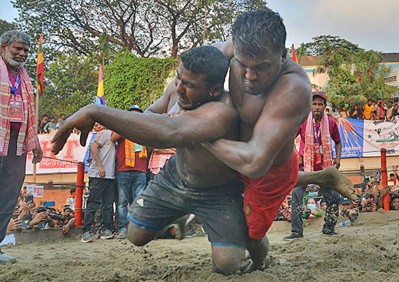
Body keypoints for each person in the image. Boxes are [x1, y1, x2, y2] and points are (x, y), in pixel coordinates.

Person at [52, 46, 249, 275]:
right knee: (135, 235)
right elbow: (150, 113)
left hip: (217, 192)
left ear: (214, 90)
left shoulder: (222, 111)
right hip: (175, 177)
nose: (179, 89)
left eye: (190, 86)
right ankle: (180, 214)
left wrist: (96, 111)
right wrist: (166, 117)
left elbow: (168, 134)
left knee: (228, 264)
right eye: (178, 78)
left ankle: (252, 240)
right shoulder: (177, 89)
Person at [204, 9, 356, 272]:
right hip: (238, 155)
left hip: (269, 168)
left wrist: (202, 137)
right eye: (243, 65)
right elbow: (193, 70)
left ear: (282, 57)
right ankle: (322, 176)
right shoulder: (232, 50)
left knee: (252, 237)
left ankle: (262, 261)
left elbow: (255, 163)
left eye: (261, 67)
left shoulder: (295, 88)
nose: (249, 76)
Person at [0, 30, 43, 264]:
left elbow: (29, 113)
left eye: (26, 50)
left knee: (7, 195)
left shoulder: (25, 77)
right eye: (18, 48)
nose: (22, 53)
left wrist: (33, 142)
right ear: (3, 47)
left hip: (17, 143)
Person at [284, 91, 343, 240]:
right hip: (305, 167)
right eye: (314, 104)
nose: (317, 107)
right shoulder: (303, 121)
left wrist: (337, 158)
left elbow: (338, 141)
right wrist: (296, 154)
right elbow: (290, 137)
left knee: (334, 197)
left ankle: (329, 228)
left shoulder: (330, 122)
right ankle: (297, 231)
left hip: (324, 168)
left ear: (324, 106)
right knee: (297, 194)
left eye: (320, 104)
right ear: (310, 106)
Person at [111, 105, 148, 239]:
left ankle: (137, 227)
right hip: (123, 170)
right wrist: (127, 126)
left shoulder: (143, 130)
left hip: (140, 170)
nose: (135, 116)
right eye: (132, 114)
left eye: (137, 114)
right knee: (122, 202)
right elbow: (113, 138)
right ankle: (122, 228)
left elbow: (150, 144)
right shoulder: (122, 128)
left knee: (139, 201)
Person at [80, 123, 116, 243]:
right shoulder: (104, 133)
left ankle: (105, 229)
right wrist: (100, 166)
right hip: (98, 174)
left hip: (109, 175)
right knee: (93, 202)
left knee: (108, 204)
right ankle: (86, 231)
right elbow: (94, 147)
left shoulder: (109, 135)